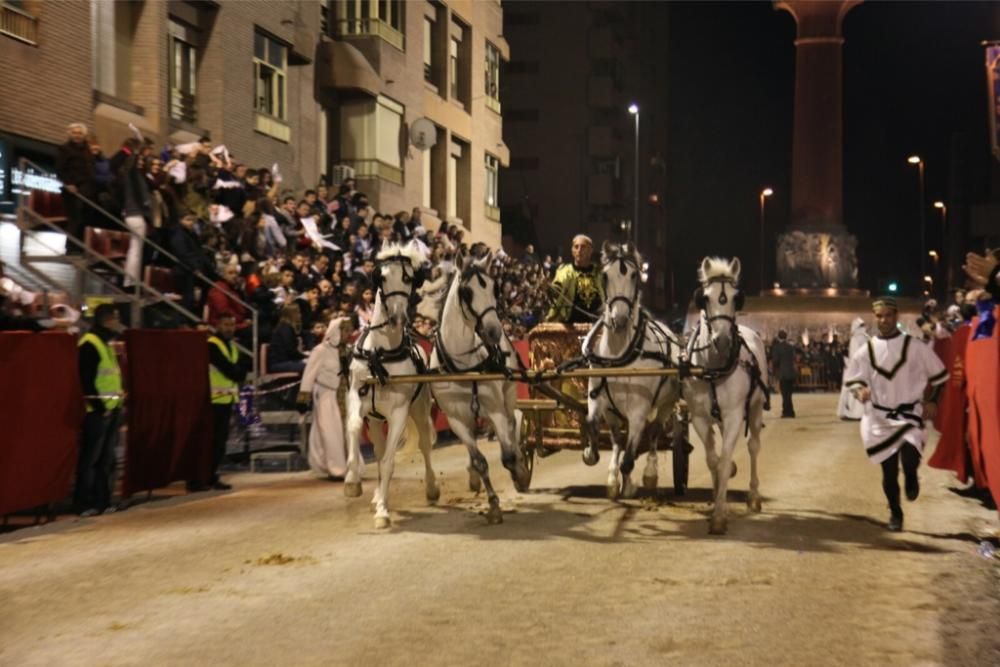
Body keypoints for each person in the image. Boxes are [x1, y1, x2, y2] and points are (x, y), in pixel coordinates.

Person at [844, 296, 949, 532]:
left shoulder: (915, 347)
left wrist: (932, 401)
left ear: (896, 316)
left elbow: (940, 376)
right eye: (879, 316)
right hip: (879, 419)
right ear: (875, 318)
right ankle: (895, 512)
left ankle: (911, 475)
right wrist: (859, 390)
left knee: (910, 458)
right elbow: (853, 380)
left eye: (888, 315)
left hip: (909, 415)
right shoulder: (866, 350)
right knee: (889, 473)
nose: (883, 320)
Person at [76, 304, 124, 516]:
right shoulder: (90, 343)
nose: (118, 323)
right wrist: (100, 407)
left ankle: (103, 501)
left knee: (106, 460)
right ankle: (84, 503)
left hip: (111, 408)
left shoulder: (106, 343)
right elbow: (86, 379)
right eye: (116, 319)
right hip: (98, 411)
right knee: (91, 459)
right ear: (107, 320)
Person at [298, 317, 351, 479]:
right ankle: (336, 469)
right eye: (346, 330)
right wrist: (303, 398)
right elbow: (309, 374)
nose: (349, 334)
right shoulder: (320, 350)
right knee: (329, 433)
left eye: (350, 330)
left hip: (344, 396)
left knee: (347, 433)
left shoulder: (347, 351)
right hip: (326, 397)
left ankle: (349, 466)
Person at [200, 313, 246, 492]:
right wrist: (237, 371)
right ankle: (203, 477)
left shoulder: (232, 346)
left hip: (226, 399)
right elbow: (231, 370)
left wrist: (237, 371)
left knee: (220, 442)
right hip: (213, 400)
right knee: (211, 442)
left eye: (232, 325)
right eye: (226, 324)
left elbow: (242, 370)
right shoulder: (212, 345)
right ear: (217, 325)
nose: (229, 328)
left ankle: (212, 476)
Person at [55, 123, 96, 253]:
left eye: (79, 133)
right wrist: (68, 184)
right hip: (71, 189)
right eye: (74, 133)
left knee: (85, 218)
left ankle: (80, 246)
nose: (77, 135)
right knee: (75, 218)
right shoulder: (64, 149)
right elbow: (59, 169)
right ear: (70, 134)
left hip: (86, 189)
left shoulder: (87, 150)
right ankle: (70, 247)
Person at [545, 234, 603, 323]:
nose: (579, 250)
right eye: (576, 247)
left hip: (597, 323)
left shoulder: (599, 272)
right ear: (572, 251)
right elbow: (557, 291)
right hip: (570, 322)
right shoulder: (564, 271)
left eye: (583, 247)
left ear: (590, 251)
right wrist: (548, 287)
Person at [836, 318, 868, 420]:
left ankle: (852, 413)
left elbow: (854, 355)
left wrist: (848, 363)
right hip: (865, 369)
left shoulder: (855, 339)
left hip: (855, 369)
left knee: (851, 390)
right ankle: (862, 413)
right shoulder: (867, 338)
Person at [268, 304, 307, 373]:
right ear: (292, 314)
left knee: (312, 365)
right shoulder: (285, 328)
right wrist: (305, 356)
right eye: (298, 312)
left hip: (285, 361)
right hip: (279, 363)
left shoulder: (286, 327)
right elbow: (290, 350)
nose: (300, 315)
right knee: (311, 366)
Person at [770, 330, 797, 418]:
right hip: (791, 372)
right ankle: (791, 411)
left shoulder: (777, 347)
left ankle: (787, 412)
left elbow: (776, 360)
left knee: (785, 394)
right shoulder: (790, 347)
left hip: (783, 373)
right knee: (789, 394)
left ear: (778, 337)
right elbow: (794, 358)